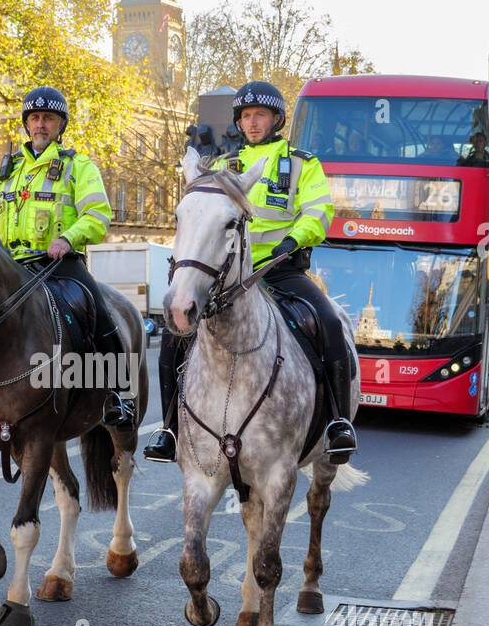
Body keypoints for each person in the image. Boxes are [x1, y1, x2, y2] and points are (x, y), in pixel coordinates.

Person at [145, 79, 354, 464]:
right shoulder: (223, 167)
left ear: (276, 119)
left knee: (328, 322)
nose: (252, 122)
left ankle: (339, 423)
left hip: (280, 269)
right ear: (238, 123)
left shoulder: (302, 164)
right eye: (245, 116)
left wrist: (295, 239)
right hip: (229, 278)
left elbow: (320, 211)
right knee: (176, 335)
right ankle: (169, 428)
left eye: (260, 115)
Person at [0, 84, 130, 431]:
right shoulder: (6, 171)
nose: (41, 124)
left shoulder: (77, 166)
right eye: (34, 118)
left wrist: (68, 238)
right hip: (9, 266)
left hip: (57, 265)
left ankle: (113, 393)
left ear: (60, 125)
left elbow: (97, 215)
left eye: (48, 118)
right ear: (26, 124)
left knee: (96, 310)